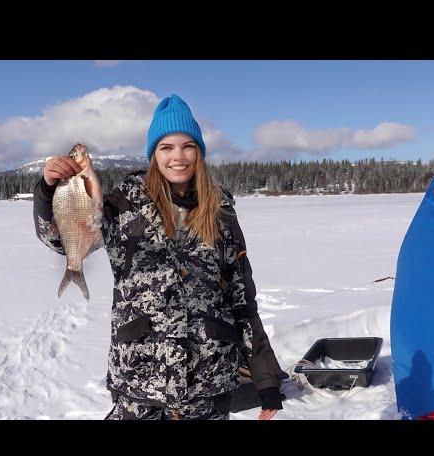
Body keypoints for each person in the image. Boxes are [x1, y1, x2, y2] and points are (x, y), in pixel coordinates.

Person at [33, 94, 284, 420]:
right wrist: (49, 189)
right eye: (166, 147)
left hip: (208, 387)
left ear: (199, 152)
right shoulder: (122, 205)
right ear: (154, 154)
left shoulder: (220, 212)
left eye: (187, 146)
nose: (178, 157)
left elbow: (242, 301)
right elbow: (60, 240)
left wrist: (265, 379)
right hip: (140, 384)